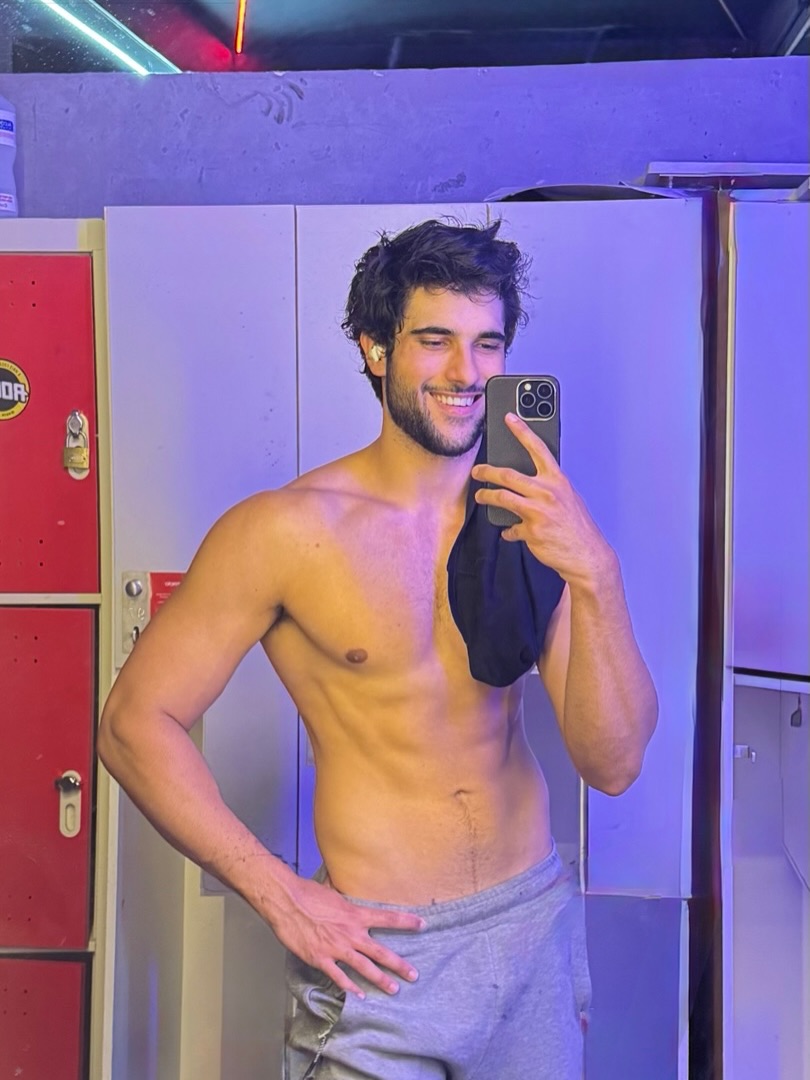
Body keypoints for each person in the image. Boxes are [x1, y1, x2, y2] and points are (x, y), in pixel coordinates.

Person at [98, 219, 658, 1079]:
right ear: (374, 348)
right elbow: (134, 723)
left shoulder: (530, 520)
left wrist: (597, 571)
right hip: (382, 960)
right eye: (435, 340)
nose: (467, 373)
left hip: (532, 934)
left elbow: (612, 763)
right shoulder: (283, 531)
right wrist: (280, 893)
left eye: (487, 344)